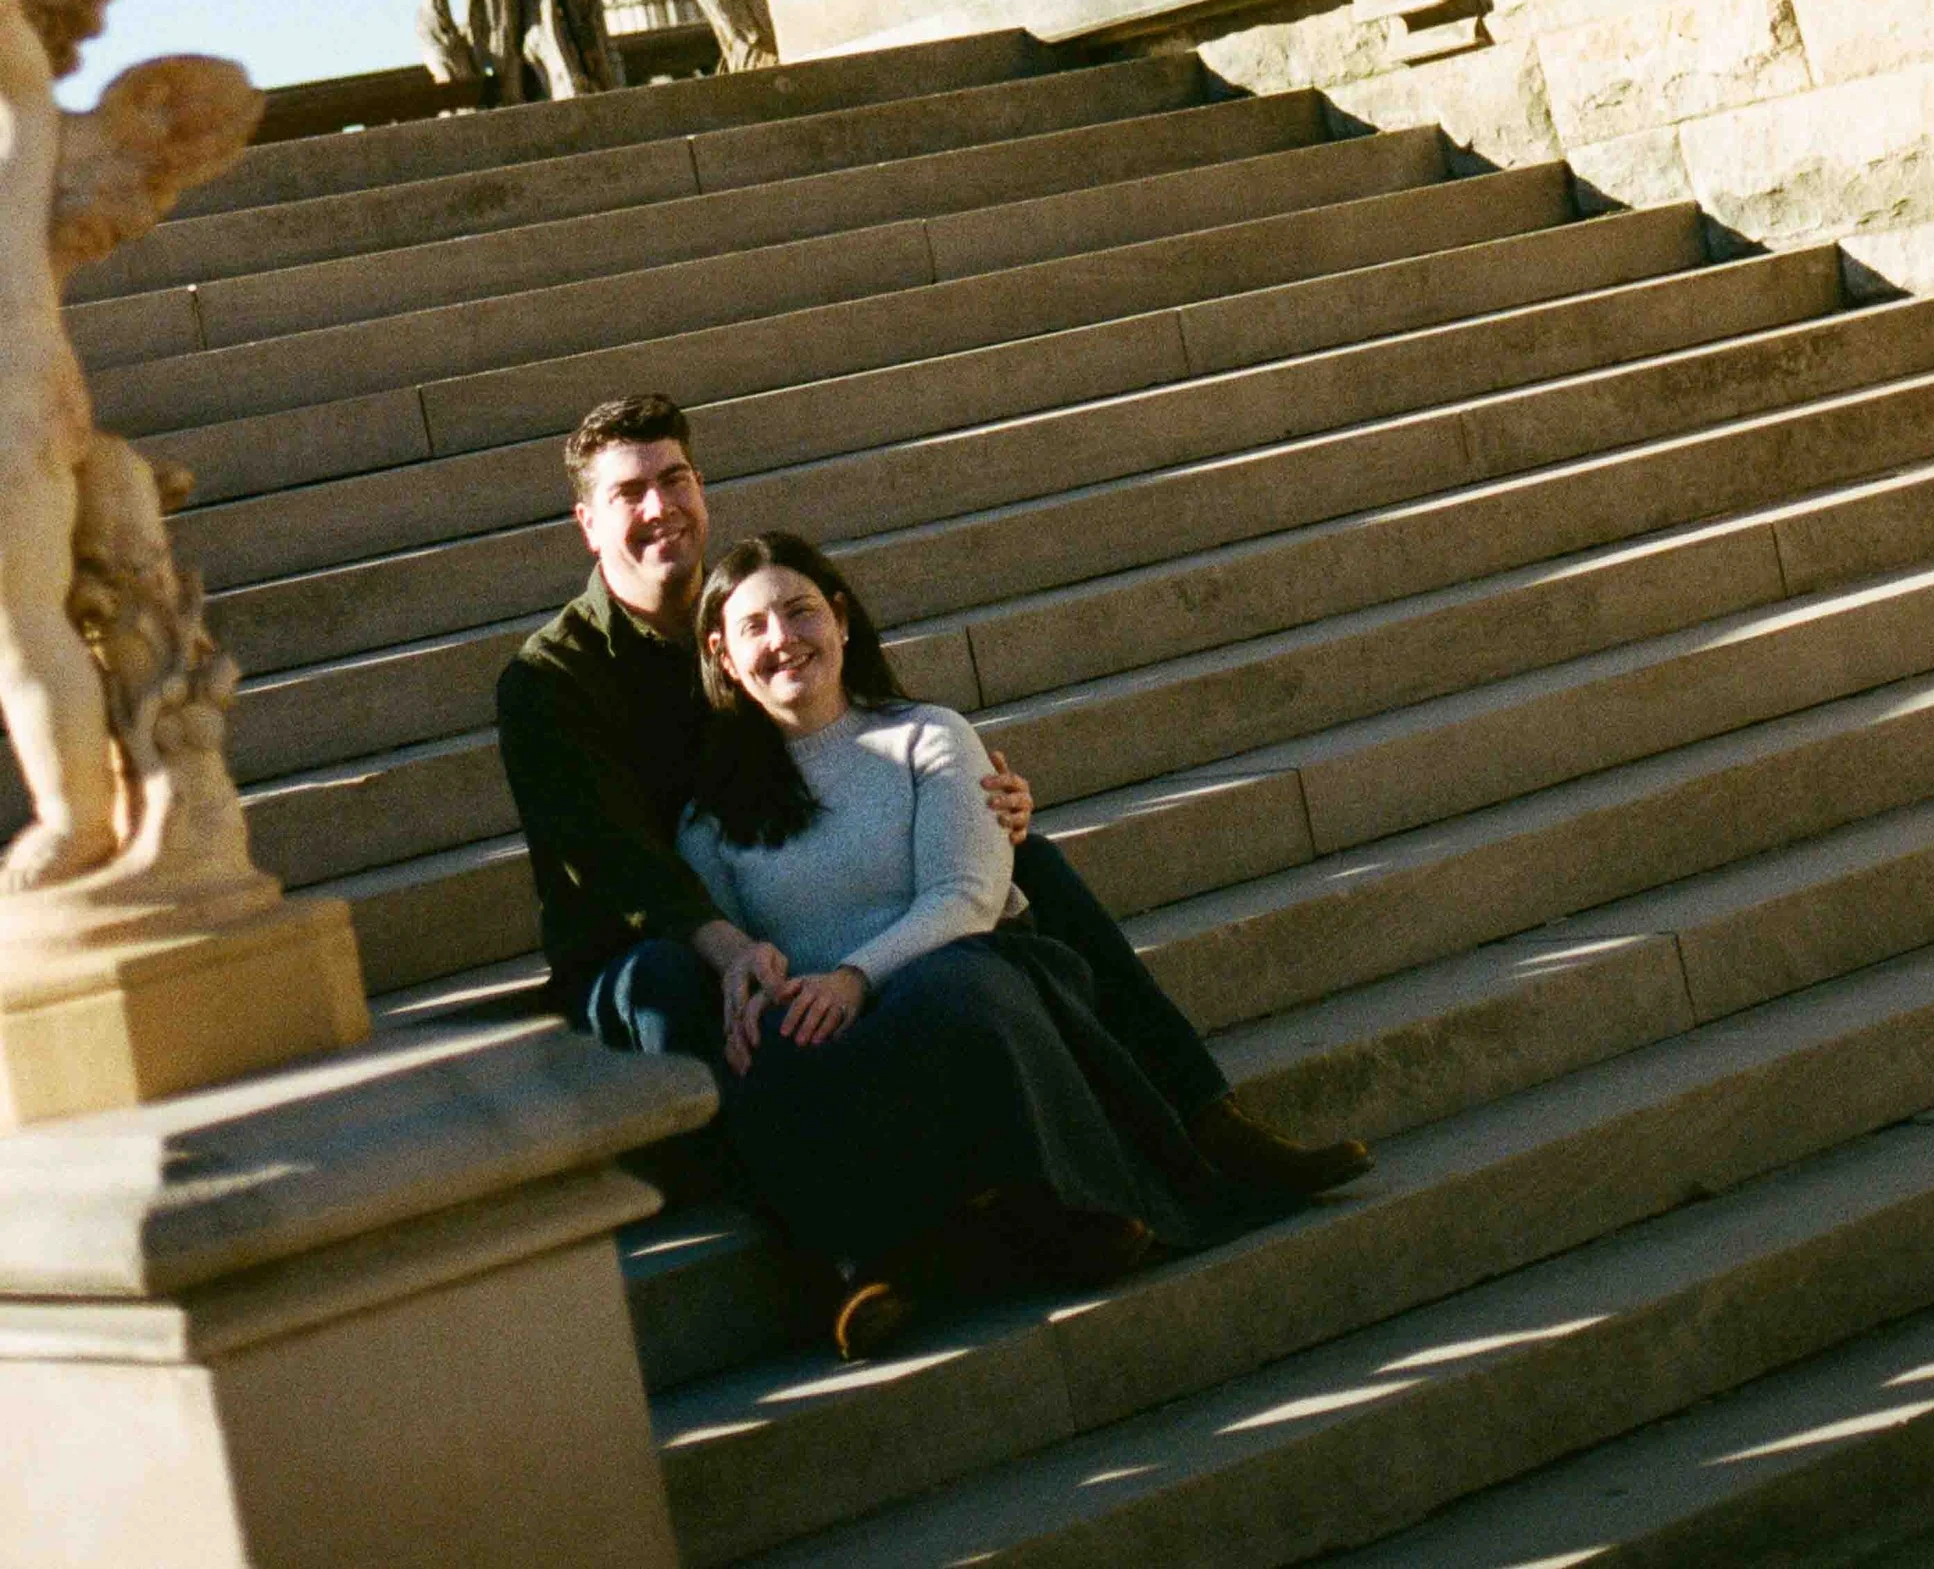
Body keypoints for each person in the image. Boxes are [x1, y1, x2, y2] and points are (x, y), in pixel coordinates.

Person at [494, 393, 1365, 1237]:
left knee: (1018, 848)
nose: (660, 507)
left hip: (790, 875)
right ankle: (817, 1242)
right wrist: (724, 945)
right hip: (645, 938)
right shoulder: (550, 681)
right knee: (671, 979)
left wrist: (960, 789)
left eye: (675, 479)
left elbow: (859, 731)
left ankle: (1204, 1114)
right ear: (588, 523)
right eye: (629, 492)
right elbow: (612, 859)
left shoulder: (747, 605)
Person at [680, 527, 1280, 1350]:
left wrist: (855, 976)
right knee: (767, 1045)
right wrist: (762, 990)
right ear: (722, 652)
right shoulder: (710, 812)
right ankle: (879, 1263)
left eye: (800, 610)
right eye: (754, 625)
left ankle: (1080, 1209)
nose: (783, 638)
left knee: (951, 986)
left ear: (843, 621)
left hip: (966, 972)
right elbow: (724, 938)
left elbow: (965, 894)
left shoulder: (928, 735)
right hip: (831, 1018)